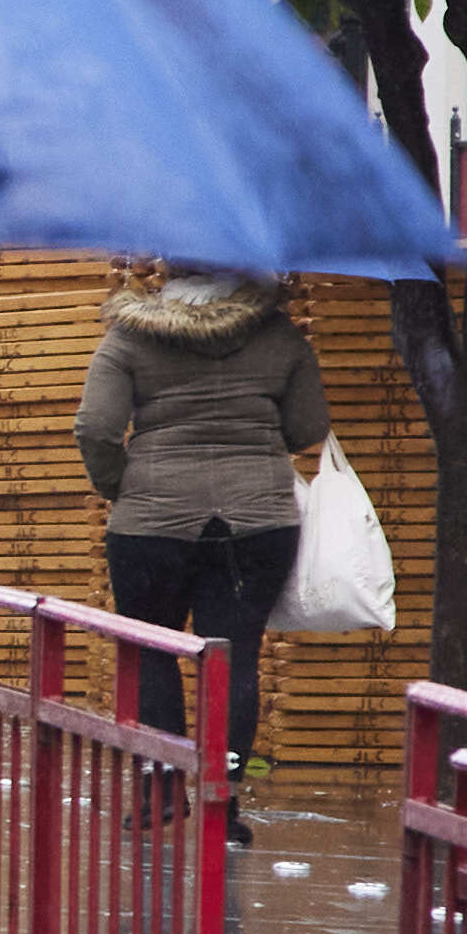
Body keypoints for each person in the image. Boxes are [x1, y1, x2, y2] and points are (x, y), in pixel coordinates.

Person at [75, 269, 328, 836]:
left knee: (151, 652)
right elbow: (308, 425)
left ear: (169, 268)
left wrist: (126, 485)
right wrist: (253, 449)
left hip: (150, 524)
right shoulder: (280, 336)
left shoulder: (130, 337)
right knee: (236, 659)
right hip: (257, 521)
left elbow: (95, 428)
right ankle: (225, 801)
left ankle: (162, 790)